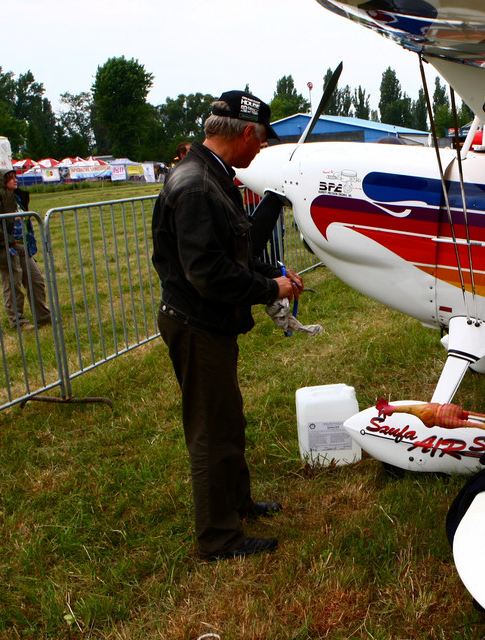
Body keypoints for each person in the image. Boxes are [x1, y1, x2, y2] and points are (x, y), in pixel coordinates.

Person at [151, 90, 303, 561]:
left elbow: (229, 255)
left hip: (210, 323)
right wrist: (269, 291)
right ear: (243, 134)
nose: (261, 149)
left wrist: (270, 274)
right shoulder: (196, 185)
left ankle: (237, 503)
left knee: (227, 419)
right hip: (197, 324)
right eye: (260, 140)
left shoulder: (212, 175)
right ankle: (218, 538)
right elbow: (208, 274)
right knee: (210, 431)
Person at [0, 169, 52, 330]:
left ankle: (43, 316)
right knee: (13, 286)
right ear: (1, 181)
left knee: (36, 280)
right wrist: (11, 242)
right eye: (10, 178)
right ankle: (17, 321)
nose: (15, 180)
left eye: (15, 177)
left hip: (23, 248)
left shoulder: (17, 198)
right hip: (7, 249)